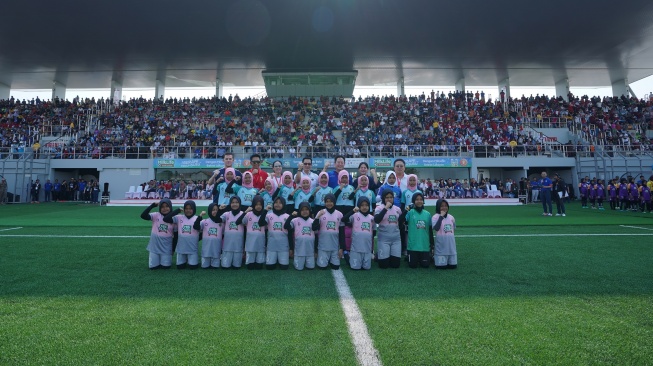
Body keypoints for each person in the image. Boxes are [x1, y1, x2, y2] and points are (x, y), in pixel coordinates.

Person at [400, 192, 434, 269]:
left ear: (423, 201)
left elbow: (430, 231)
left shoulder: (427, 214)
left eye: (421, 199)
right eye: (417, 199)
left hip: (424, 246)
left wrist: (432, 245)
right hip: (413, 246)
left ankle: (426, 256)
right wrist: (406, 210)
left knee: (425, 265)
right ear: (413, 201)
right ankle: (409, 256)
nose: (419, 201)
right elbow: (400, 220)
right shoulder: (410, 212)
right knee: (412, 265)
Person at [164, 200, 201, 269]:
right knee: (180, 267)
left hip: (192, 249)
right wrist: (177, 210)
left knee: (193, 267)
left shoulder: (197, 219)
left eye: (190, 209)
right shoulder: (179, 217)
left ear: (194, 209)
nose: (188, 210)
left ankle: (190, 259)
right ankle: (184, 259)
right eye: (186, 208)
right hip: (181, 249)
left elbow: (202, 233)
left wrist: (196, 240)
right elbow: (166, 219)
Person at [140, 198, 175, 269]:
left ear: (170, 207)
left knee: (165, 267)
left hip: (166, 247)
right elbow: (143, 216)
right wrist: (152, 206)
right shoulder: (156, 215)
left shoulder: (174, 218)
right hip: (154, 247)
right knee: (153, 268)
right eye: (162, 207)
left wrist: (173, 249)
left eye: (167, 206)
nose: (165, 208)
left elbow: (176, 236)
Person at [312, 194, 344, 270]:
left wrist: (342, 247)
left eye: (331, 201)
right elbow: (314, 228)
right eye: (327, 201)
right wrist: (317, 217)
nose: (329, 203)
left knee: (336, 267)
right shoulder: (321, 212)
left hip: (334, 246)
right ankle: (323, 258)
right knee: (322, 268)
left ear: (334, 202)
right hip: (323, 246)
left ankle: (331, 259)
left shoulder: (339, 214)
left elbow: (342, 232)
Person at [343, 197, 375, 270]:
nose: (364, 207)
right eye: (362, 205)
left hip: (367, 248)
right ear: (358, 206)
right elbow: (344, 219)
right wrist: (352, 211)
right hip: (356, 248)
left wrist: (372, 249)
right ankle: (347, 256)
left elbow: (374, 233)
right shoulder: (355, 215)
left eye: (366, 205)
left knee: (366, 268)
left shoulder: (372, 218)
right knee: (355, 267)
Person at [374, 189, 403, 269]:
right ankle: (378, 255)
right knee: (383, 266)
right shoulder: (379, 208)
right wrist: (386, 208)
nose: (389, 199)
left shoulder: (397, 209)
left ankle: (389, 254)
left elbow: (400, 222)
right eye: (387, 197)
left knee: (395, 265)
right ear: (383, 198)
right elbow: (377, 220)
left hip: (396, 239)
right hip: (384, 239)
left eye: (391, 197)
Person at [237, 196, 268, 270]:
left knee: (259, 267)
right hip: (250, 243)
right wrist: (245, 212)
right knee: (250, 267)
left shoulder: (265, 215)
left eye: (260, 205)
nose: (258, 206)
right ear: (253, 205)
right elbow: (238, 222)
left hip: (260, 242)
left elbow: (263, 224)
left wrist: (264, 212)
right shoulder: (249, 214)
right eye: (256, 205)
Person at [285, 202, 316, 271]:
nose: (304, 211)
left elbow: (316, 235)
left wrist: (316, 251)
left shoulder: (312, 221)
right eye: (302, 210)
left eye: (306, 209)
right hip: (299, 251)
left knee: (310, 268)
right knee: (299, 268)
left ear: (310, 210)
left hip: (310, 251)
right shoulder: (295, 220)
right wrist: (291, 216)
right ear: (299, 211)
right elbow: (286, 226)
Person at [265, 197, 292, 270]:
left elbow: (290, 233)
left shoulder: (288, 216)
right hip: (271, 245)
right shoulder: (268, 215)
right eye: (276, 202)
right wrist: (265, 210)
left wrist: (291, 248)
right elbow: (261, 223)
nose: (278, 204)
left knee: (284, 267)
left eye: (280, 203)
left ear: (283, 204)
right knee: (270, 267)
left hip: (283, 245)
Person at [219, 196, 245, 269]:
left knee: (236, 267)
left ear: (240, 204)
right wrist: (220, 210)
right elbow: (218, 219)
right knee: (225, 266)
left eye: (237, 202)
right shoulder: (226, 214)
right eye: (233, 202)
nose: (235, 204)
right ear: (230, 204)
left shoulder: (243, 214)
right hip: (227, 245)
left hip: (238, 245)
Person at [196, 203, 223, 269]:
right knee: (205, 267)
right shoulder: (204, 221)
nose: (215, 211)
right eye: (213, 210)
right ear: (209, 211)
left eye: (217, 210)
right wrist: (200, 216)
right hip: (206, 250)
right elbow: (196, 227)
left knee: (215, 267)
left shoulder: (221, 222)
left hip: (216, 250)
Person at [432, 198, 457, 269]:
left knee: (453, 267)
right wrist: (441, 217)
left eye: (446, 205)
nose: (444, 207)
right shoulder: (435, 217)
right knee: (441, 268)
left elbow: (453, 228)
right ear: (438, 207)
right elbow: (436, 228)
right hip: (441, 248)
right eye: (441, 206)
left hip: (451, 247)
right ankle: (434, 257)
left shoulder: (451, 217)